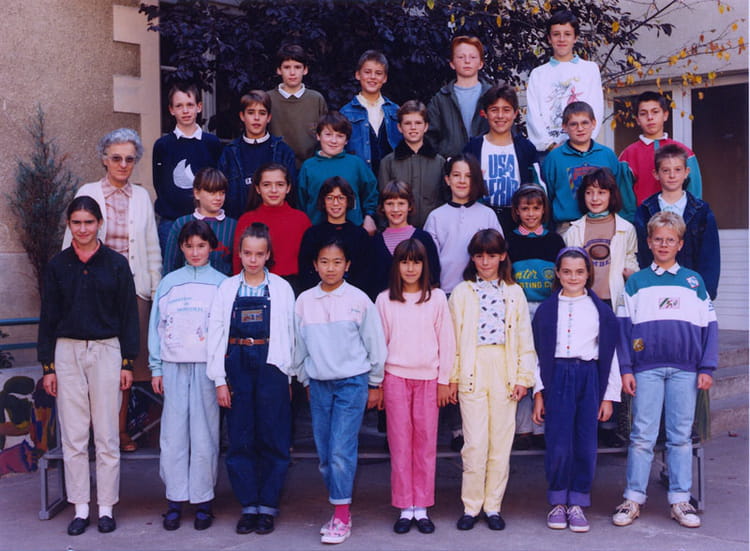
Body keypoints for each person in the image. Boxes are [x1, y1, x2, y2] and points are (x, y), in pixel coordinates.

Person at [39, 197, 139, 536]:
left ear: (100, 224)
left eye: (89, 222)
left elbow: (128, 315)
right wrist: (48, 366)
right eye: (76, 223)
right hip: (67, 352)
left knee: (107, 433)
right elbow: (48, 317)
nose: (83, 229)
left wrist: (127, 362)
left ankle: (106, 507)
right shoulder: (58, 266)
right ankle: (80, 508)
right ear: (69, 225)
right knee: (74, 434)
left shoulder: (115, 264)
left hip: (106, 350)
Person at [612, 211, 717, 529]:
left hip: (686, 370)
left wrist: (707, 366)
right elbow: (623, 328)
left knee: (680, 437)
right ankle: (633, 498)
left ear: (680, 244)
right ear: (649, 242)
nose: (663, 244)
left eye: (670, 240)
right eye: (658, 239)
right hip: (647, 369)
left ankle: (680, 499)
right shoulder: (637, 282)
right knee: (642, 435)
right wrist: (626, 368)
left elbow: (710, 326)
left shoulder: (693, 282)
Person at [63, 128, 162, 454]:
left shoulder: (142, 197)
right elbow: (71, 241)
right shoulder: (88, 192)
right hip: (93, 292)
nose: (123, 165)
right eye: (116, 158)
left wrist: (154, 290)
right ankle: (91, 435)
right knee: (93, 364)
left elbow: (151, 247)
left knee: (125, 365)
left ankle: (118, 432)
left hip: (132, 292)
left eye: (129, 159)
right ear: (104, 159)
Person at [294, 236, 387, 544]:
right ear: (315, 265)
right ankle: (338, 505)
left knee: (340, 450)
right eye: (324, 262)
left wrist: (375, 382)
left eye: (337, 262)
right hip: (319, 385)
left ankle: (342, 516)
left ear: (347, 265)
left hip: (352, 383)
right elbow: (298, 347)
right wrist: (305, 380)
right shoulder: (305, 301)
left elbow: (375, 344)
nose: (330, 268)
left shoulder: (359, 300)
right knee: (324, 452)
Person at [206, 223, 297, 535]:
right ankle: (248, 505)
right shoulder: (227, 288)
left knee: (273, 437)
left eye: (259, 254)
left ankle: (268, 506)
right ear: (240, 254)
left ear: (268, 254)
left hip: (272, 366)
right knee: (241, 437)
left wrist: (287, 377)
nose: (253, 260)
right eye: (247, 253)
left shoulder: (282, 289)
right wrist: (219, 379)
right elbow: (216, 334)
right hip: (237, 366)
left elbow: (292, 336)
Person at [449, 229, 536, 531]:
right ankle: (471, 506)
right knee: (474, 444)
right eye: (479, 255)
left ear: (502, 256)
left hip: (504, 368)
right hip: (472, 368)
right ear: (472, 258)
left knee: (500, 443)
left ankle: (493, 506)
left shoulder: (514, 292)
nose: (485, 262)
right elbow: (453, 339)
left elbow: (524, 338)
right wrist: (453, 377)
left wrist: (523, 377)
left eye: (491, 255)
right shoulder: (462, 292)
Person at [531, 247, 621, 533]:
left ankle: (578, 502)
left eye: (580, 272)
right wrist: (539, 393)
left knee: (585, 440)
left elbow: (611, 354)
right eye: (567, 271)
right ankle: (558, 500)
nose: (573, 277)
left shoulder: (600, 311)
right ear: (558, 274)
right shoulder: (546, 311)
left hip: (588, 376)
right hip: (557, 375)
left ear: (588, 274)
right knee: (558, 441)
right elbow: (535, 353)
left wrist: (608, 396)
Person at [148, 220, 226, 531]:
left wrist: (222, 374)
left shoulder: (222, 284)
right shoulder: (169, 283)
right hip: (174, 366)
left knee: (205, 434)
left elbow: (224, 333)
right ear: (181, 247)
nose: (195, 252)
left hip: (207, 369)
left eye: (201, 246)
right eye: (189, 246)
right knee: (173, 434)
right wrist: (156, 366)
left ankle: (204, 501)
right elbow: (157, 326)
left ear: (211, 247)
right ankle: (175, 499)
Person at [375, 238, 456, 535]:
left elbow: (447, 340)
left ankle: (421, 507)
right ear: (396, 266)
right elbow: (379, 345)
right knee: (400, 444)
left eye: (416, 262)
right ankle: (404, 507)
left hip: (428, 379)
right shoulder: (385, 300)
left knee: (425, 443)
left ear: (425, 265)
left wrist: (444, 380)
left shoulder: (436, 298)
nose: (410, 268)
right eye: (405, 262)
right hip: (395, 377)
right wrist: (378, 383)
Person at [505, 184, 564, 450]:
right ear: (516, 211)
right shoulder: (510, 240)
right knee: (521, 364)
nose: (531, 214)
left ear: (544, 210)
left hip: (546, 307)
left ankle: (541, 426)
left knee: (544, 363)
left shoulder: (554, 241)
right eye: (525, 208)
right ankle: (522, 428)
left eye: (536, 208)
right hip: (519, 308)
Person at [634, 143, 719, 300]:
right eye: (666, 170)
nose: (672, 175)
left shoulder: (701, 211)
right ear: (656, 174)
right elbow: (641, 253)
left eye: (678, 170)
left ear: (686, 172)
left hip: (690, 290)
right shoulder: (645, 210)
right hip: (654, 289)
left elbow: (710, 257)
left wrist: (705, 293)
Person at [152, 82, 223, 253]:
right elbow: (159, 183)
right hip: (171, 222)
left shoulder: (212, 143)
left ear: (199, 107)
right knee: (171, 265)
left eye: (190, 105)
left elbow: (218, 181)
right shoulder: (162, 145)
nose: (185, 111)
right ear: (171, 110)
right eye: (179, 106)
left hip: (205, 221)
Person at [463, 83, 541, 235]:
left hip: (517, 221)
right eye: (494, 110)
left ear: (515, 113)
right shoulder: (473, 147)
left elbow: (538, 187)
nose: (500, 116)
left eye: (506, 110)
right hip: (480, 219)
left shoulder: (526, 148)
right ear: (485, 113)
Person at [526, 9, 604, 159]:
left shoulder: (590, 69)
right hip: (549, 152)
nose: (562, 39)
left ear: (575, 38)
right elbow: (533, 115)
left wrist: (582, 142)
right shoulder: (538, 74)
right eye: (556, 34)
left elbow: (596, 109)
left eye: (567, 34)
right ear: (549, 38)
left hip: (583, 149)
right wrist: (550, 145)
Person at [542, 102, 627, 231]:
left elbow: (618, 192)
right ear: (564, 126)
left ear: (593, 123)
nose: (580, 128)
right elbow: (547, 197)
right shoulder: (554, 158)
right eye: (573, 124)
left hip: (604, 224)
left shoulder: (607, 155)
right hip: (568, 226)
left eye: (585, 123)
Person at [424, 154, 502, 295]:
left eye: (468, 176)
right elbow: (428, 259)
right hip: (446, 291)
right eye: (456, 175)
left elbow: (498, 254)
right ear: (447, 180)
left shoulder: (488, 215)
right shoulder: (436, 217)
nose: (462, 181)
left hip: (483, 293)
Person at [618, 91, 703, 220]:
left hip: (679, 223)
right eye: (643, 114)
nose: (650, 117)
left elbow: (694, 194)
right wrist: (635, 223)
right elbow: (625, 202)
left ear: (665, 115)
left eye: (655, 112)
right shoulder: (628, 155)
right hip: (644, 223)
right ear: (637, 120)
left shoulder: (684, 152)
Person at [563, 167, 638, 308]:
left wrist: (632, 274)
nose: (595, 198)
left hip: (613, 300)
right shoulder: (573, 231)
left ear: (611, 195)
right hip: (583, 300)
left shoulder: (626, 229)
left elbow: (631, 261)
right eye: (589, 192)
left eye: (601, 192)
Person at [217, 90, 297, 219]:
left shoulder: (283, 152)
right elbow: (221, 193)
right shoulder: (229, 153)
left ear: (269, 117)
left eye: (262, 113)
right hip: (238, 222)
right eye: (251, 112)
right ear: (242, 116)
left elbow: (292, 196)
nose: (256, 118)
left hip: (275, 221)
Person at [233, 163, 311, 292]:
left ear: (288, 188)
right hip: (254, 286)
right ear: (258, 188)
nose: (273, 190)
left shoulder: (301, 220)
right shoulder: (246, 220)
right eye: (266, 185)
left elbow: (309, 263)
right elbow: (237, 262)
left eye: (280, 184)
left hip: (293, 287)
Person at [298, 111, 379, 235]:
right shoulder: (308, 166)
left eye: (340, 136)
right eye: (328, 134)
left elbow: (371, 193)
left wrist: (369, 216)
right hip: (317, 230)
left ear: (346, 140)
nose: (333, 140)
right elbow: (301, 201)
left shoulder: (356, 164)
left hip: (352, 230)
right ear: (318, 136)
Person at [365, 180, 440, 300]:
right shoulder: (374, 243)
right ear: (382, 207)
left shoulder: (424, 239)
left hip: (418, 305)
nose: (395, 209)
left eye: (401, 203)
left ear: (409, 206)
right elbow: (369, 283)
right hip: (383, 307)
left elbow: (433, 277)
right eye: (390, 204)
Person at [378, 100, 445, 228]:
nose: (413, 128)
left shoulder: (440, 163)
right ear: (399, 127)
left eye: (418, 123)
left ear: (426, 127)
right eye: (407, 123)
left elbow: (444, 200)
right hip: (398, 231)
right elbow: (383, 201)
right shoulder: (388, 163)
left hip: (432, 231)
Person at [297, 176, 371, 291]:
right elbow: (306, 272)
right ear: (323, 201)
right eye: (330, 198)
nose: (335, 203)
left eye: (341, 198)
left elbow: (365, 273)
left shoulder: (360, 235)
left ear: (348, 200)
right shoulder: (312, 234)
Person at [162, 167, 237, 275]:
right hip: (187, 284)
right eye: (212, 192)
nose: (218, 198)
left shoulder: (233, 226)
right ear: (197, 193)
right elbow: (170, 266)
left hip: (223, 284)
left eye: (222, 192)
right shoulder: (181, 223)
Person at [427, 36, 491, 158]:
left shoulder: (492, 96)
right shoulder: (440, 99)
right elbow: (430, 136)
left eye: (473, 57)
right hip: (451, 164)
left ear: (481, 64)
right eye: (461, 57)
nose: (467, 61)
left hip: (487, 162)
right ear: (452, 64)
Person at [340, 50, 402, 176]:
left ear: (385, 78)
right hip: (359, 177)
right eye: (367, 72)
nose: (372, 77)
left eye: (378, 73)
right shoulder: (346, 113)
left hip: (391, 178)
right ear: (358, 75)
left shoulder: (395, 111)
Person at [267, 44, 328, 169]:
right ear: (279, 70)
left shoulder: (316, 99)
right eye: (287, 67)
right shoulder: (268, 99)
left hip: (311, 168)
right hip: (275, 169)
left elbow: (326, 136)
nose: (292, 72)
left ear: (305, 70)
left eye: (297, 67)